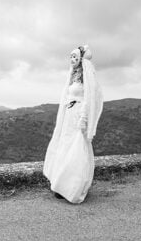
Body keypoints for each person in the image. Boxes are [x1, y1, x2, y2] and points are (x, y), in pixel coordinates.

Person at [43, 45, 103, 203]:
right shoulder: (72, 76)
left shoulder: (88, 78)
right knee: (65, 147)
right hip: (68, 117)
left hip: (77, 117)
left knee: (76, 150)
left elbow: (89, 99)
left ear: (82, 59)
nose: (72, 60)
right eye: (71, 57)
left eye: (75, 57)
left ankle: (73, 187)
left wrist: (83, 119)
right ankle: (61, 185)